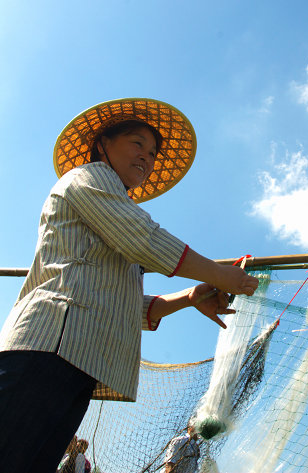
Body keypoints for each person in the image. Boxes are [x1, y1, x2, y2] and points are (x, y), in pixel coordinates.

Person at [0, 98, 259, 472]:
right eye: (137, 144)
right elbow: (144, 238)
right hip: (48, 347)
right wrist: (222, 276)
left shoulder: (114, 211)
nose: (147, 158)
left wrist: (188, 297)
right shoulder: (91, 176)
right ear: (103, 143)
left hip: (77, 363)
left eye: (152, 153)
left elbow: (124, 304)